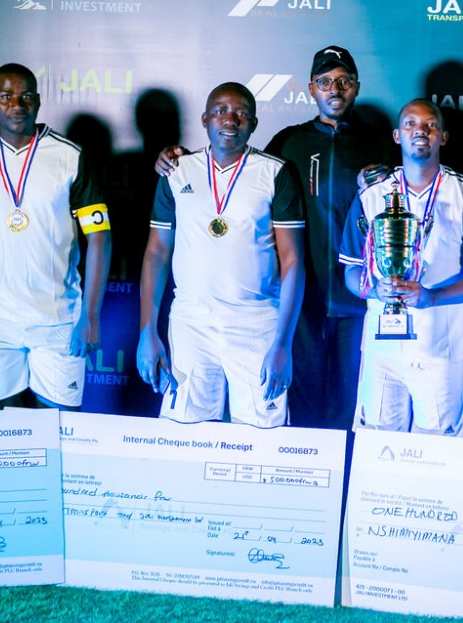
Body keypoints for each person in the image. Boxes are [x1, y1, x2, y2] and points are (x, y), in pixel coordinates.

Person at [155, 45, 395, 429]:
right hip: (298, 301)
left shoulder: (382, 143)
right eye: (325, 82)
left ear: (357, 86)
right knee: (298, 402)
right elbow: (239, 181)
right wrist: (179, 160)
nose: (335, 89)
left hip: (358, 296)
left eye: (344, 81)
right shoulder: (288, 142)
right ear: (311, 88)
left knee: (351, 402)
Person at [137, 82, 305, 428]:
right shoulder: (176, 171)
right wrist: (146, 331)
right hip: (191, 323)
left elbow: (292, 262)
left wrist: (282, 343)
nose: (231, 119)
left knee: (264, 436)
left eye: (241, 113)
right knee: (184, 434)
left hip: (256, 323)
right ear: (205, 120)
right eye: (221, 111)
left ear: (254, 124)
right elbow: (156, 252)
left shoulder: (275, 172)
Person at [339, 99, 463, 436]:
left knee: (437, 451)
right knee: (377, 446)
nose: (420, 131)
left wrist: (432, 297)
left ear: (444, 137)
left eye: (430, 125)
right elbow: (352, 272)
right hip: (382, 348)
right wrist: (374, 289)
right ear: (397, 135)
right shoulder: (372, 195)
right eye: (411, 124)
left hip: (440, 347)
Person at [0, 63, 111, 411]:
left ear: (39, 101)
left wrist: (90, 315)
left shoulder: (69, 156)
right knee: (0, 428)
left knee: (62, 425)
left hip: (58, 318)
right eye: (6, 97)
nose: (17, 105)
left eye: (26, 96)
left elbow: (100, 238)